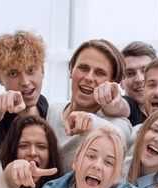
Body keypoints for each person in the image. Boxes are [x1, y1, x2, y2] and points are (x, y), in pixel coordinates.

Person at [46, 39, 134, 174]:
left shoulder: (119, 123)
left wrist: (90, 121)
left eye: (100, 73)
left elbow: (118, 136)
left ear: (112, 83)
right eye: (83, 68)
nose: (89, 77)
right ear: (71, 71)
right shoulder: (52, 110)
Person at [0, 114, 62, 188]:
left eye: (41, 146)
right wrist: (9, 178)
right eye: (23, 146)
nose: (32, 153)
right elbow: (8, 180)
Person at [120, 41, 157, 125]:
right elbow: (119, 105)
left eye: (145, 71)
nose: (139, 79)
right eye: (130, 73)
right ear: (120, 81)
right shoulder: (126, 106)